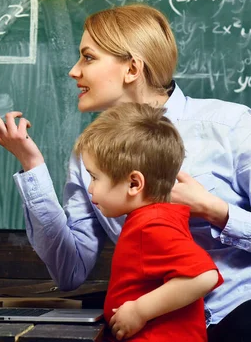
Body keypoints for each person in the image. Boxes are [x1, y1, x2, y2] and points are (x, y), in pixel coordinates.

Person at [0, 4, 251, 342]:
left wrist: (215, 211)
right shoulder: (89, 157)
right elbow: (69, 270)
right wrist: (32, 167)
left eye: (88, 58)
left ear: (131, 68)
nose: (74, 71)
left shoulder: (229, 125)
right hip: (166, 328)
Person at [74, 102, 222, 340]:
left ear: (134, 184)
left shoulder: (152, 224)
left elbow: (203, 276)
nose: (90, 188)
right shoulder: (154, 218)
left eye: (94, 177)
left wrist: (139, 311)